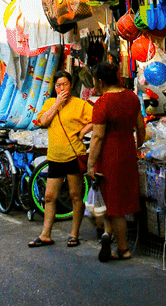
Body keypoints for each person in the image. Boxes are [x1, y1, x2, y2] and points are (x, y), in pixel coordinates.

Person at [85, 62, 145, 262]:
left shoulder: (103, 103)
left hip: (110, 155)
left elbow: (97, 137)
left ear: (101, 82)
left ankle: (123, 248)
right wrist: (137, 147)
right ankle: (108, 236)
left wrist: (91, 163)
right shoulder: (132, 97)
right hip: (128, 150)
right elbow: (140, 127)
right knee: (120, 199)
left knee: (115, 204)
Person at [28, 71, 94, 249]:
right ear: (55, 87)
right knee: (50, 197)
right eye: (58, 85)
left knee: (75, 195)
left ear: (71, 85)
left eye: (65, 84)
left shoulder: (80, 104)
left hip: (74, 154)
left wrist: (82, 132)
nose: (62, 88)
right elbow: (41, 120)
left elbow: (96, 119)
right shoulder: (50, 102)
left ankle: (74, 234)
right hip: (55, 156)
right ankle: (45, 234)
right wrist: (56, 104)